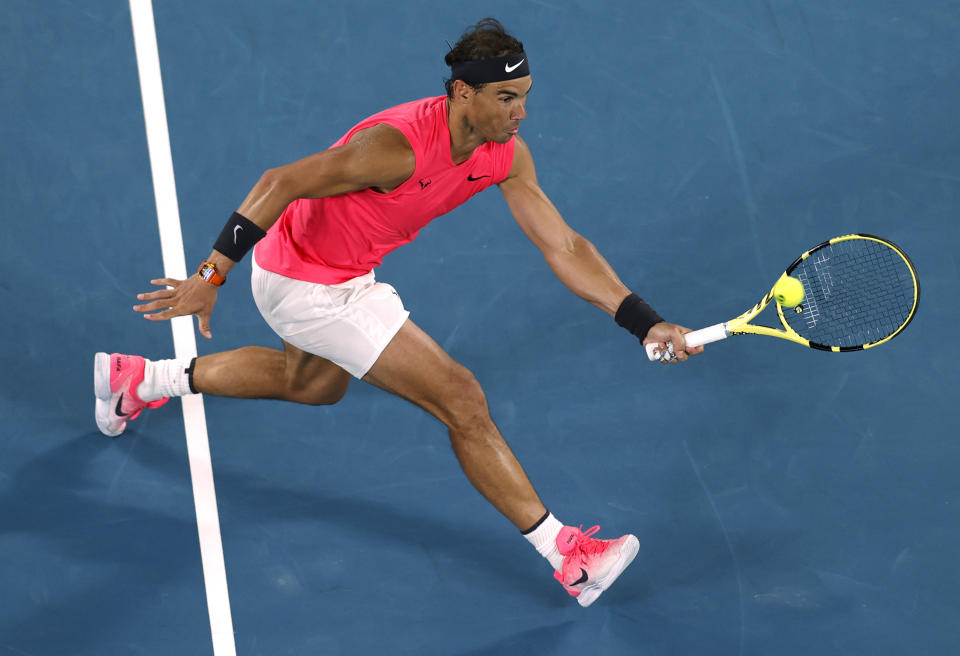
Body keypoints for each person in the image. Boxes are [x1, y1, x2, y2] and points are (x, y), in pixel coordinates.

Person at [94, 18, 701, 607]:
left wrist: (644, 322)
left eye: (525, 96)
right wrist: (210, 273)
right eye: (506, 97)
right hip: (306, 283)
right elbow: (280, 180)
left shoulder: (504, 155)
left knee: (313, 384)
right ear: (464, 92)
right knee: (461, 398)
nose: (521, 113)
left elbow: (563, 245)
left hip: (340, 271)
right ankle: (566, 554)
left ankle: (140, 379)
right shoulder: (396, 148)